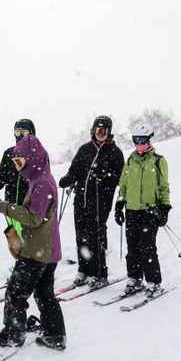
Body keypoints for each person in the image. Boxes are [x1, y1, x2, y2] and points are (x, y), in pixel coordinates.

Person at [0, 134, 65, 350]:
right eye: (15, 162)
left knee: (15, 293)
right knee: (44, 293)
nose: (18, 167)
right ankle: (56, 334)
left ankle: (14, 335)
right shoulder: (40, 178)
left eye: (20, 161)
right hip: (47, 249)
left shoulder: (41, 183)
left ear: (33, 158)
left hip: (37, 251)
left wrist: (7, 207)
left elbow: (34, 217)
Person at [57, 116, 124, 288]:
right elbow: (75, 171)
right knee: (81, 235)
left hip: (101, 201)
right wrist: (68, 179)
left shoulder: (114, 152)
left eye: (104, 131)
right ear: (93, 131)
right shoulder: (85, 150)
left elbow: (121, 178)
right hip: (81, 199)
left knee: (96, 235)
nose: (100, 133)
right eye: (98, 130)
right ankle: (84, 269)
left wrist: (106, 176)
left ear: (109, 132)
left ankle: (100, 273)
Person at [114, 125, 171, 298]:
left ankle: (154, 282)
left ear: (148, 141)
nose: (139, 144)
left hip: (149, 211)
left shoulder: (158, 161)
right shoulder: (130, 160)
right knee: (132, 248)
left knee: (147, 248)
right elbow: (123, 185)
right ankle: (135, 278)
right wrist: (119, 205)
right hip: (131, 210)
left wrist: (164, 208)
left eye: (143, 141)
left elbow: (163, 187)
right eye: (136, 141)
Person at [0, 119, 36, 205]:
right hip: (11, 206)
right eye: (17, 132)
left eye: (24, 132)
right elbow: (2, 180)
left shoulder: (38, 154)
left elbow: (44, 180)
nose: (20, 135)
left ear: (31, 133)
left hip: (32, 206)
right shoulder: (9, 153)